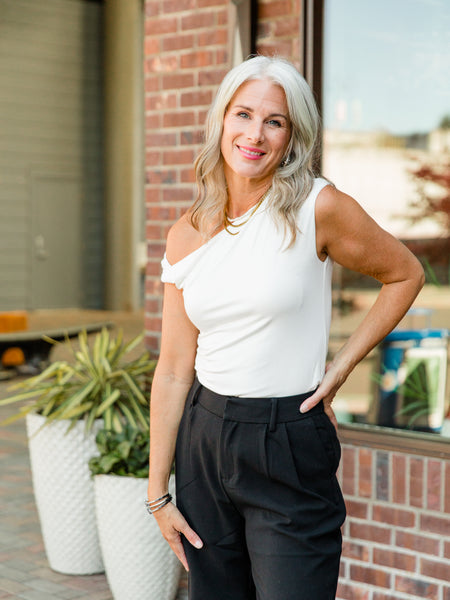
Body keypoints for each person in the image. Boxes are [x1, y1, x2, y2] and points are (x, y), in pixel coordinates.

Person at [147, 56, 424, 600]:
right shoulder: (186, 233)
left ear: (292, 135)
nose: (254, 134)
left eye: (274, 121)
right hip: (204, 440)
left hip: (288, 441)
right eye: (243, 114)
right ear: (221, 121)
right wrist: (157, 492)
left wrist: (339, 369)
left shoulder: (317, 206)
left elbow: (405, 273)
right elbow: (175, 368)